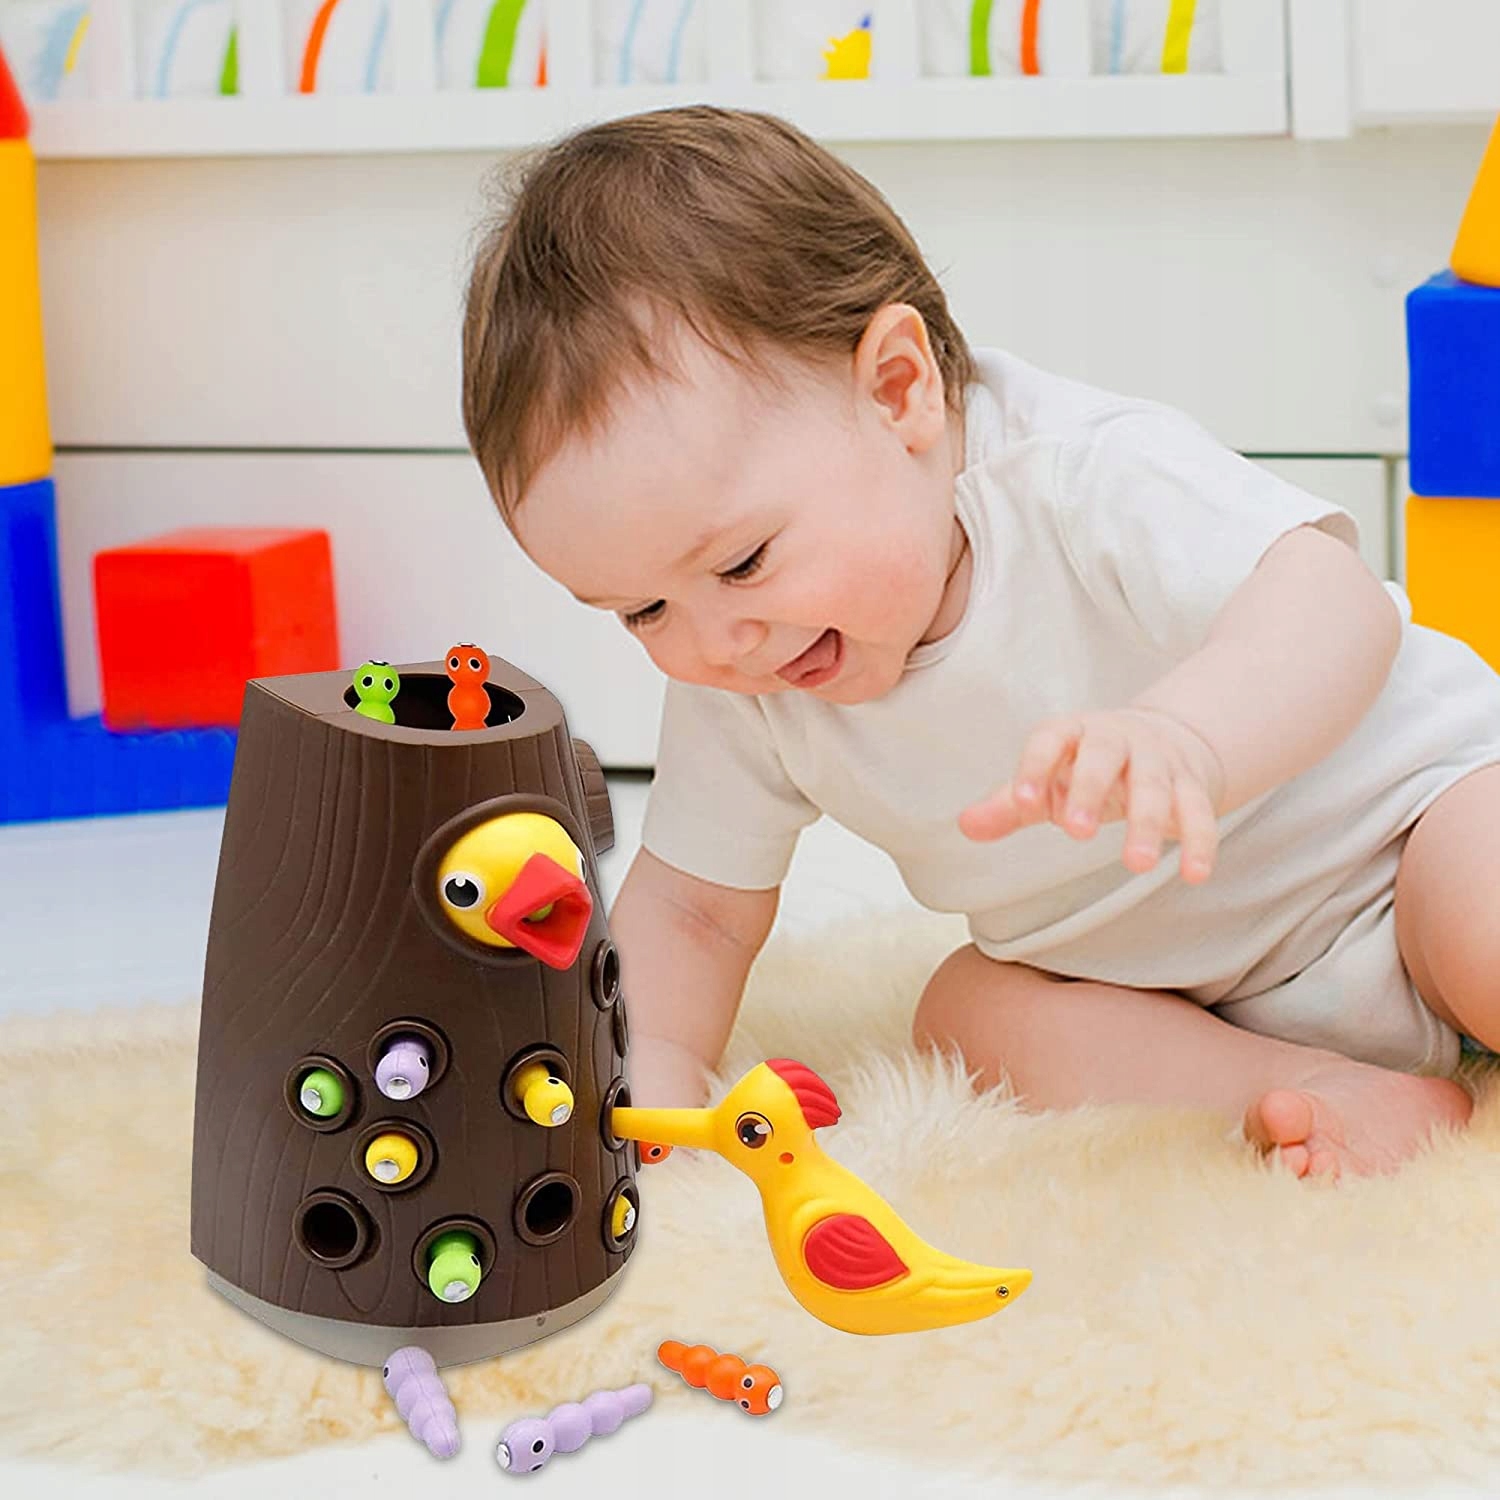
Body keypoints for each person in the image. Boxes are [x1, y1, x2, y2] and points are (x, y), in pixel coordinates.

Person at [461, 106, 1500, 1178]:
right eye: (642, 611)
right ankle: (1321, 1088)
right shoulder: (747, 669)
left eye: (742, 563)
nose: (716, 644)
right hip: (1176, 979)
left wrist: (1189, 736)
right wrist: (642, 1077)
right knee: (968, 1016)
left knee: (1484, 915)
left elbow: (1333, 601)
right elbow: (694, 912)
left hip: (1402, 846)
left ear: (898, 390)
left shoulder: (1079, 482)